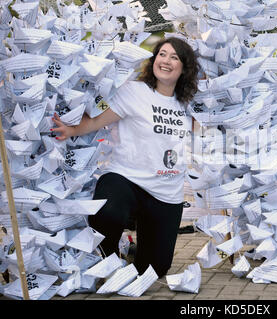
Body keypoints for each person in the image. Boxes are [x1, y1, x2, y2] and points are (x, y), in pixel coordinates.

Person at [51, 37, 200, 278]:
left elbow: (213, 124)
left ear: (184, 67)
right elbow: (98, 121)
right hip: (126, 180)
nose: (166, 61)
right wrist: (72, 129)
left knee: (155, 270)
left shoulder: (189, 105)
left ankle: (131, 250)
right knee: (107, 211)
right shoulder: (134, 91)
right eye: (162, 54)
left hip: (165, 192)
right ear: (153, 60)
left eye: (174, 57)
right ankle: (108, 255)